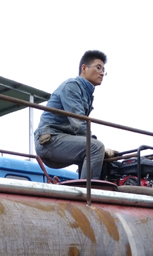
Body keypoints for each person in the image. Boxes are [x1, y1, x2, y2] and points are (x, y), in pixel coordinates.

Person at [35, 49, 116, 180]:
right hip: (50, 140)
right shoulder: (72, 86)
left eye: (103, 70)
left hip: (60, 139)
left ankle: (83, 186)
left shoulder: (87, 93)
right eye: (98, 67)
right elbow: (79, 124)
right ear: (84, 68)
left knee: (94, 151)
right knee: (96, 148)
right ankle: (88, 190)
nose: (102, 73)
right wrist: (99, 146)